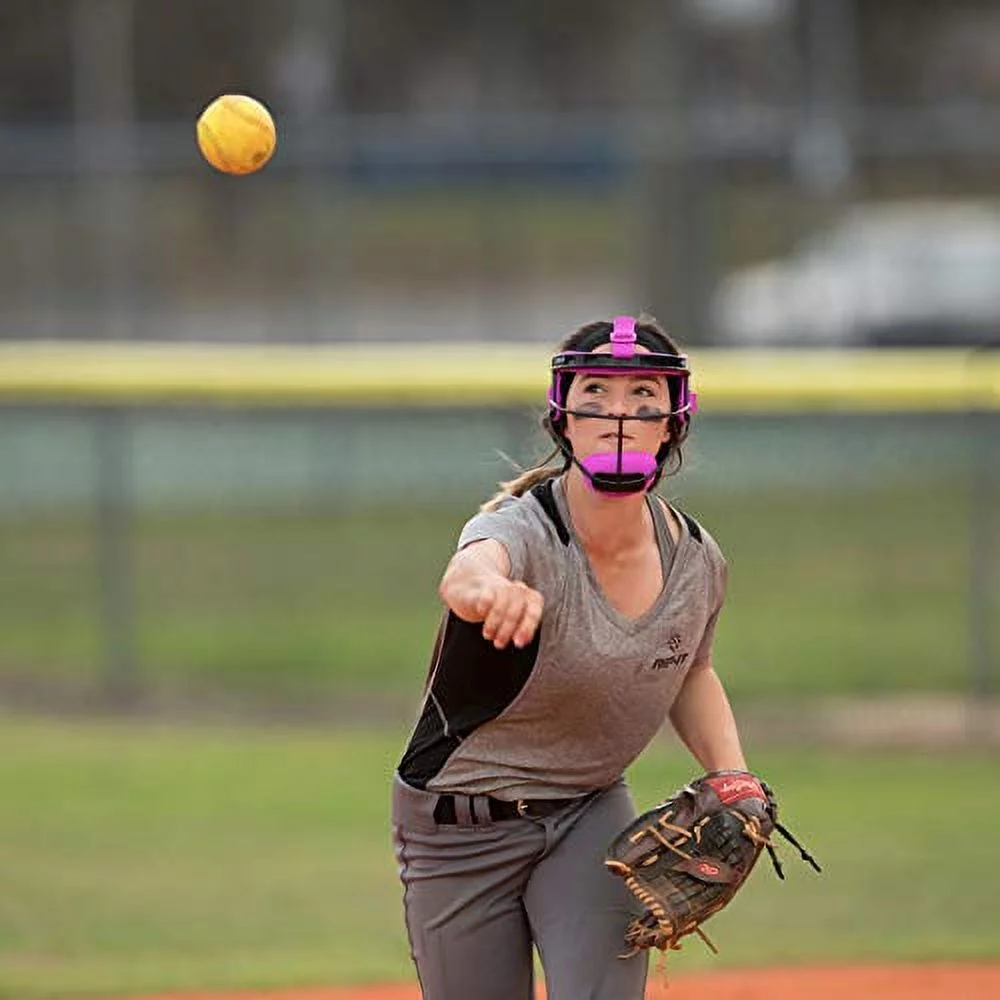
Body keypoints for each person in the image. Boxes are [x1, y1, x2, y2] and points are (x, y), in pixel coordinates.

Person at [391, 315, 750, 1000]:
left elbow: (691, 670)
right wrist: (491, 591)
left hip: (590, 812)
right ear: (564, 418)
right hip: (458, 825)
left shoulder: (698, 560)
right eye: (596, 392)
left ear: (673, 420)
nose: (619, 414)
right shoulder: (522, 528)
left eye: (645, 394)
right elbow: (465, 574)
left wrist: (732, 776)